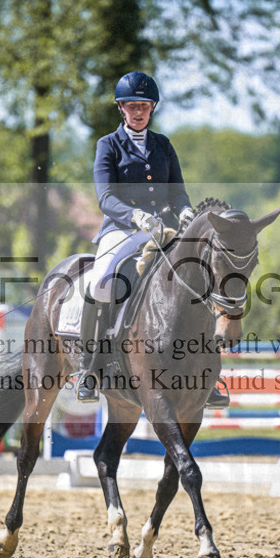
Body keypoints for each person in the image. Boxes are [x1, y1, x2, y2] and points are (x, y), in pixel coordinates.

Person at [75, 71, 228, 409]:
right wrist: (135, 216)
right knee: (100, 283)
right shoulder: (108, 145)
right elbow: (105, 197)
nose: (138, 111)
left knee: (196, 281)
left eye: (144, 105)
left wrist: (186, 212)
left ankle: (207, 374)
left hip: (166, 230)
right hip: (122, 229)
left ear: (153, 108)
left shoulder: (163, 145)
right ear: (121, 108)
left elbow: (178, 193)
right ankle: (90, 368)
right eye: (132, 106)